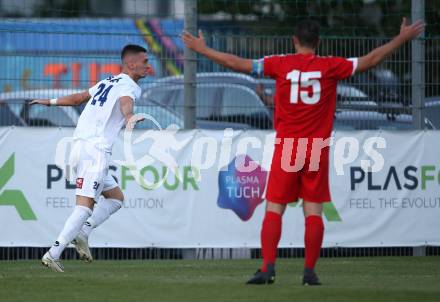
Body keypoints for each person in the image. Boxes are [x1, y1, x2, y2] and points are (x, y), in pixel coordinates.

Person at [182, 18, 424, 285]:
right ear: (318, 42)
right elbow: (371, 60)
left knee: (275, 208)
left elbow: (236, 63)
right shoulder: (330, 66)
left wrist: (202, 49)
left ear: (294, 41)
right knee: (313, 211)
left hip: (289, 145)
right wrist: (401, 38)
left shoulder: (280, 64)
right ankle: (309, 272)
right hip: (316, 147)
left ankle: (267, 268)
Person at [31, 44, 154, 272]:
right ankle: (53, 253)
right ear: (131, 64)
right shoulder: (130, 86)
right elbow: (125, 101)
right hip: (95, 151)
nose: (149, 66)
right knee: (84, 206)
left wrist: (50, 101)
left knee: (116, 198)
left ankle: (84, 231)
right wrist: (129, 116)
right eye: (145, 61)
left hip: (79, 147)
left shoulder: (107, 81)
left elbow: (78, 98)